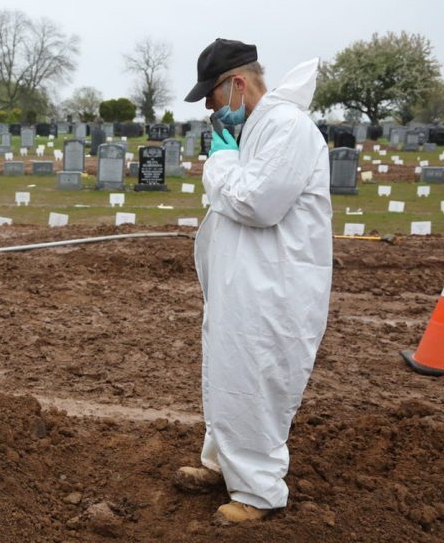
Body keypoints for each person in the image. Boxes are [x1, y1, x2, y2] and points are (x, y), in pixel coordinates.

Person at [173, 38, 333, 525]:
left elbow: (257, 204)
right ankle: (223, 463)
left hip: (274, 288)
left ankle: (259, 492)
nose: (209, 109)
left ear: (237, 84)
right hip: (246, 283)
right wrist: (230, 159)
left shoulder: (287, 129)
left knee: (255, 381)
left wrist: (219, 163)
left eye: (213, 96)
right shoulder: (260, 130)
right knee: (229, 376)